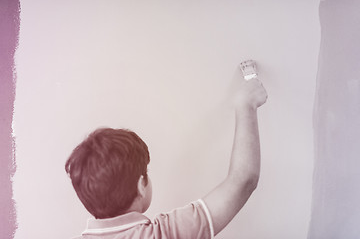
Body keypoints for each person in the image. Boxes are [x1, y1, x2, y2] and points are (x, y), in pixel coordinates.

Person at [65, 77, 267, 238]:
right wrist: (246, 106)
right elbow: (243, 179)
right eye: (146, 173)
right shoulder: (166, 233)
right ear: (140, 185)